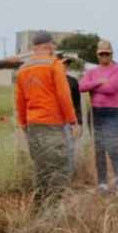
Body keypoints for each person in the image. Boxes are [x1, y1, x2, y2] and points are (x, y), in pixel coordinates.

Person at [14, 32, 77, 198]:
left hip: (32, 125)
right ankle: (53, 213)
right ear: (49, 46)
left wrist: (24, 124)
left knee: (41, 169)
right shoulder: (55, 65)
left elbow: (19, 101)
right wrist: (72, 120)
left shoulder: (22, 69)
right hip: (53, 125)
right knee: (59, 168)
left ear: (34, 48)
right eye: (53, 46)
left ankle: (39, 209)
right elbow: (64, 95)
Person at [79, 40, 118, 195]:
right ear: (97, 55)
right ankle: (102, 184)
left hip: (112, 113)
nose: (104, 56)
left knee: (113, 148)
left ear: (111, 53)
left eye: (107, 53)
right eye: (101, 54)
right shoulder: (92, 71)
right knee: (99, 149)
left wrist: (93, 85)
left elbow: (112, 88)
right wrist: (99, 82)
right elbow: (81, 87)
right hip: (95, 113)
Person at [57, 52, 83, 176]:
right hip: (53, 122)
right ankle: (57, 176)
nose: (65, 66)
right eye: (63, 63)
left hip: (69, 121)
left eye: (67, 63)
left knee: (70, 149)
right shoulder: (51, 81)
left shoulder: (73, 81)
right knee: (56, 150)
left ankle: (69, 177)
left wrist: (79, 122)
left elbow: (77, 104)